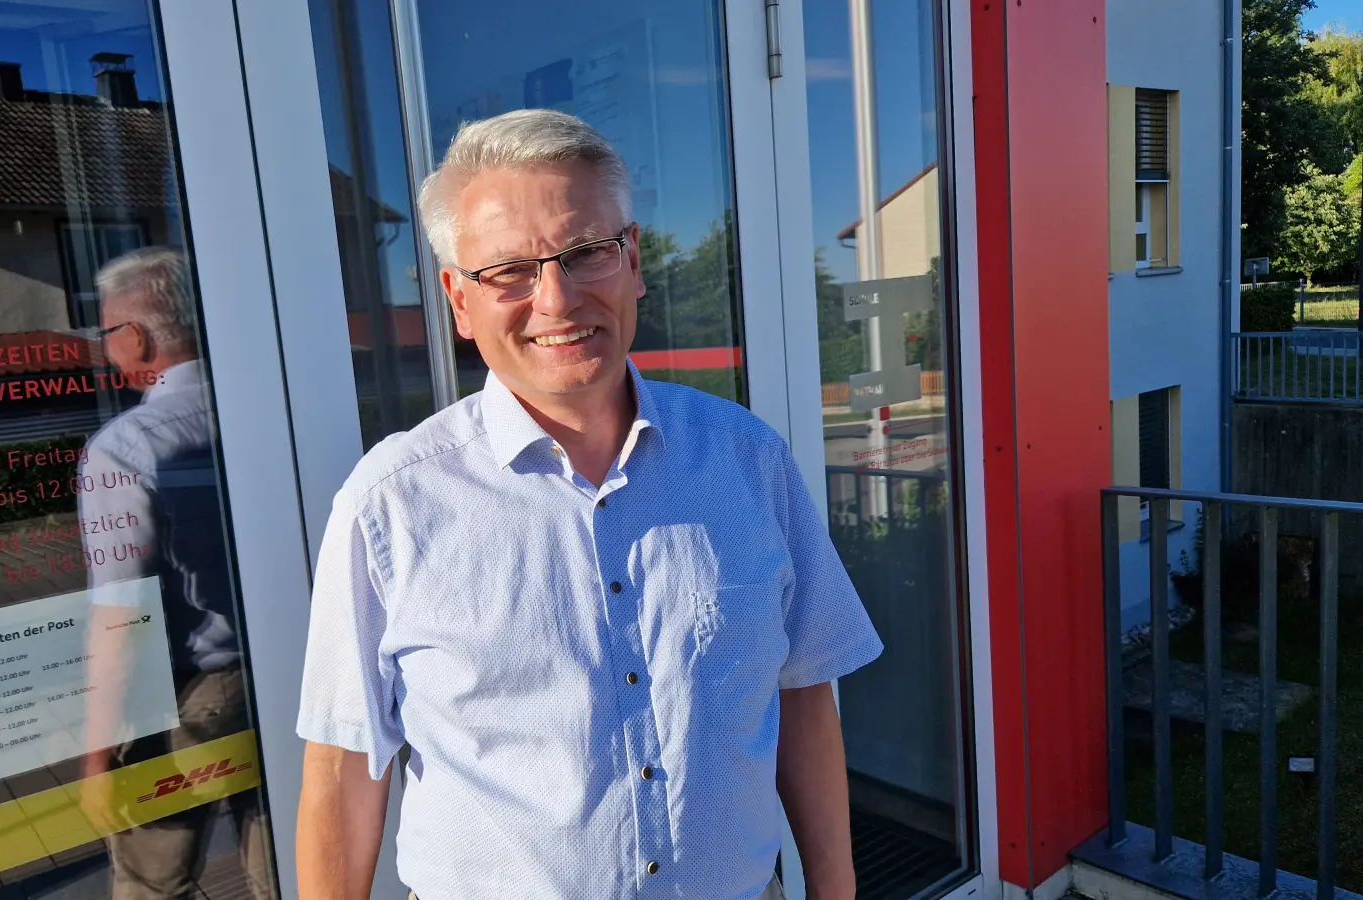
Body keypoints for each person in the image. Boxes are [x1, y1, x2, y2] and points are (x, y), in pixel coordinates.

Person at [295, 109, 883, 900]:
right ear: (459, 302)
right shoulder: (391, 506)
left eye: (585, 254)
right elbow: (341, 768)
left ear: (632, 260)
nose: (555, 299)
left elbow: (804, 695)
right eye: (508, 271)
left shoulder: (749, 461)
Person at [75, 246, 273, 900]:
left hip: (193, 694)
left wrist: (98, 756)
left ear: (135, 338)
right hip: (283, 669)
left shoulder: (125, 447)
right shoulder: (271, 414)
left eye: (106, 332)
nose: (105, 346)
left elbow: (121, 611)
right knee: (288, 867)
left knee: (151, 882)